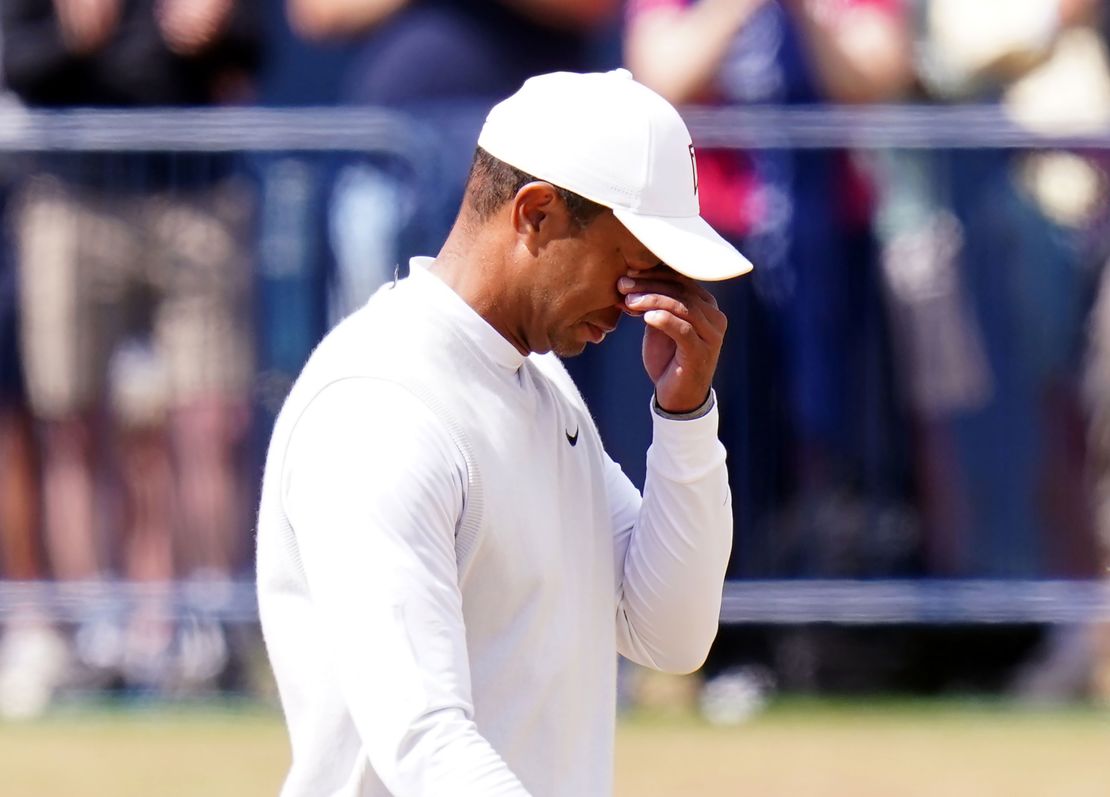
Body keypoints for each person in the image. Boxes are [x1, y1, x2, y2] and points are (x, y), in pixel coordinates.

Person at [256, 69, 750, 795]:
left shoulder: (538, 384)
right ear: (538, 213)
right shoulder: (378, 408)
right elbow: (424, 740)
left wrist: (685, 417)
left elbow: (669, 632)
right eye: (633, 265)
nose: (639, 302)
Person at [1, 0, 261, 692]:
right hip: (69, 193)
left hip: (196, 190)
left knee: (207, 422)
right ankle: (94, 635)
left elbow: (257, 49)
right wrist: (73, 34)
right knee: (71, 424)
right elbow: (15, 58)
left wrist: (216, 29)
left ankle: (209, 631)